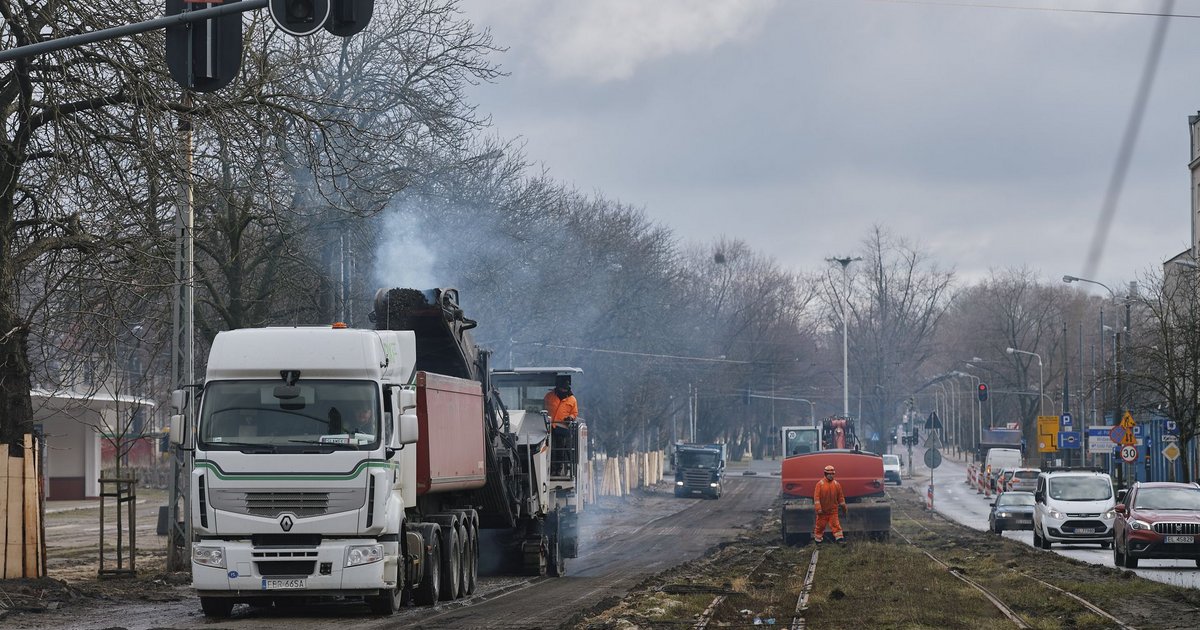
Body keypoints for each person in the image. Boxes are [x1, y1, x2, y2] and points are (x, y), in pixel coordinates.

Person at [544, 376, 579, 475]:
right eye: (562, 388)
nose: (564, 390)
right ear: (558, 387)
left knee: (560, 449)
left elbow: (575, 412)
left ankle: (558, 469)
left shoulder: (572, 399)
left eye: (565, 388)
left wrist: (570, 417)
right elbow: (542, 408)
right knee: (549, 448)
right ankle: (549, 468)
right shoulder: (549, 396)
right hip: (548, 427)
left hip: (562, 428)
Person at [813, 464, 848, 545]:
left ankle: (840, 541)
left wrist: (844, 509)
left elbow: (841, 498)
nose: (831, 476)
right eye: (829, 474)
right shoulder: (820, 484)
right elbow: (816, 498)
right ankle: (818, 542)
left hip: (833, 511)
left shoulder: (836, 484)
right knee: (820, 527)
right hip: (822, 512)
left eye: (832, 474)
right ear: (825, 474)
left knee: (836, 526)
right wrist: (818, 509)